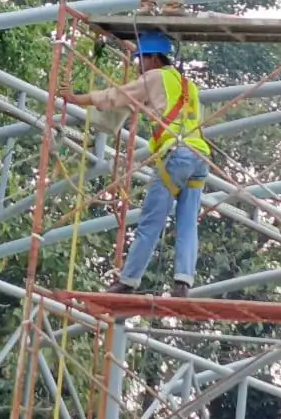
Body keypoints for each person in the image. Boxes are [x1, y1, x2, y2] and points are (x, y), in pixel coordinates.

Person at [57, 30, 211, 298]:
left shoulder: (154, 77)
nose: (139, 66)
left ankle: (128, 281)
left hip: (175, 156)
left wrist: (75, 98)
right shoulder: (189, 86)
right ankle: (183, 282)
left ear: (153, 58)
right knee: (188, 223)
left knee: (151, 221)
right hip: (199, 157)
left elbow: (116, 96)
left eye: (141, 60)